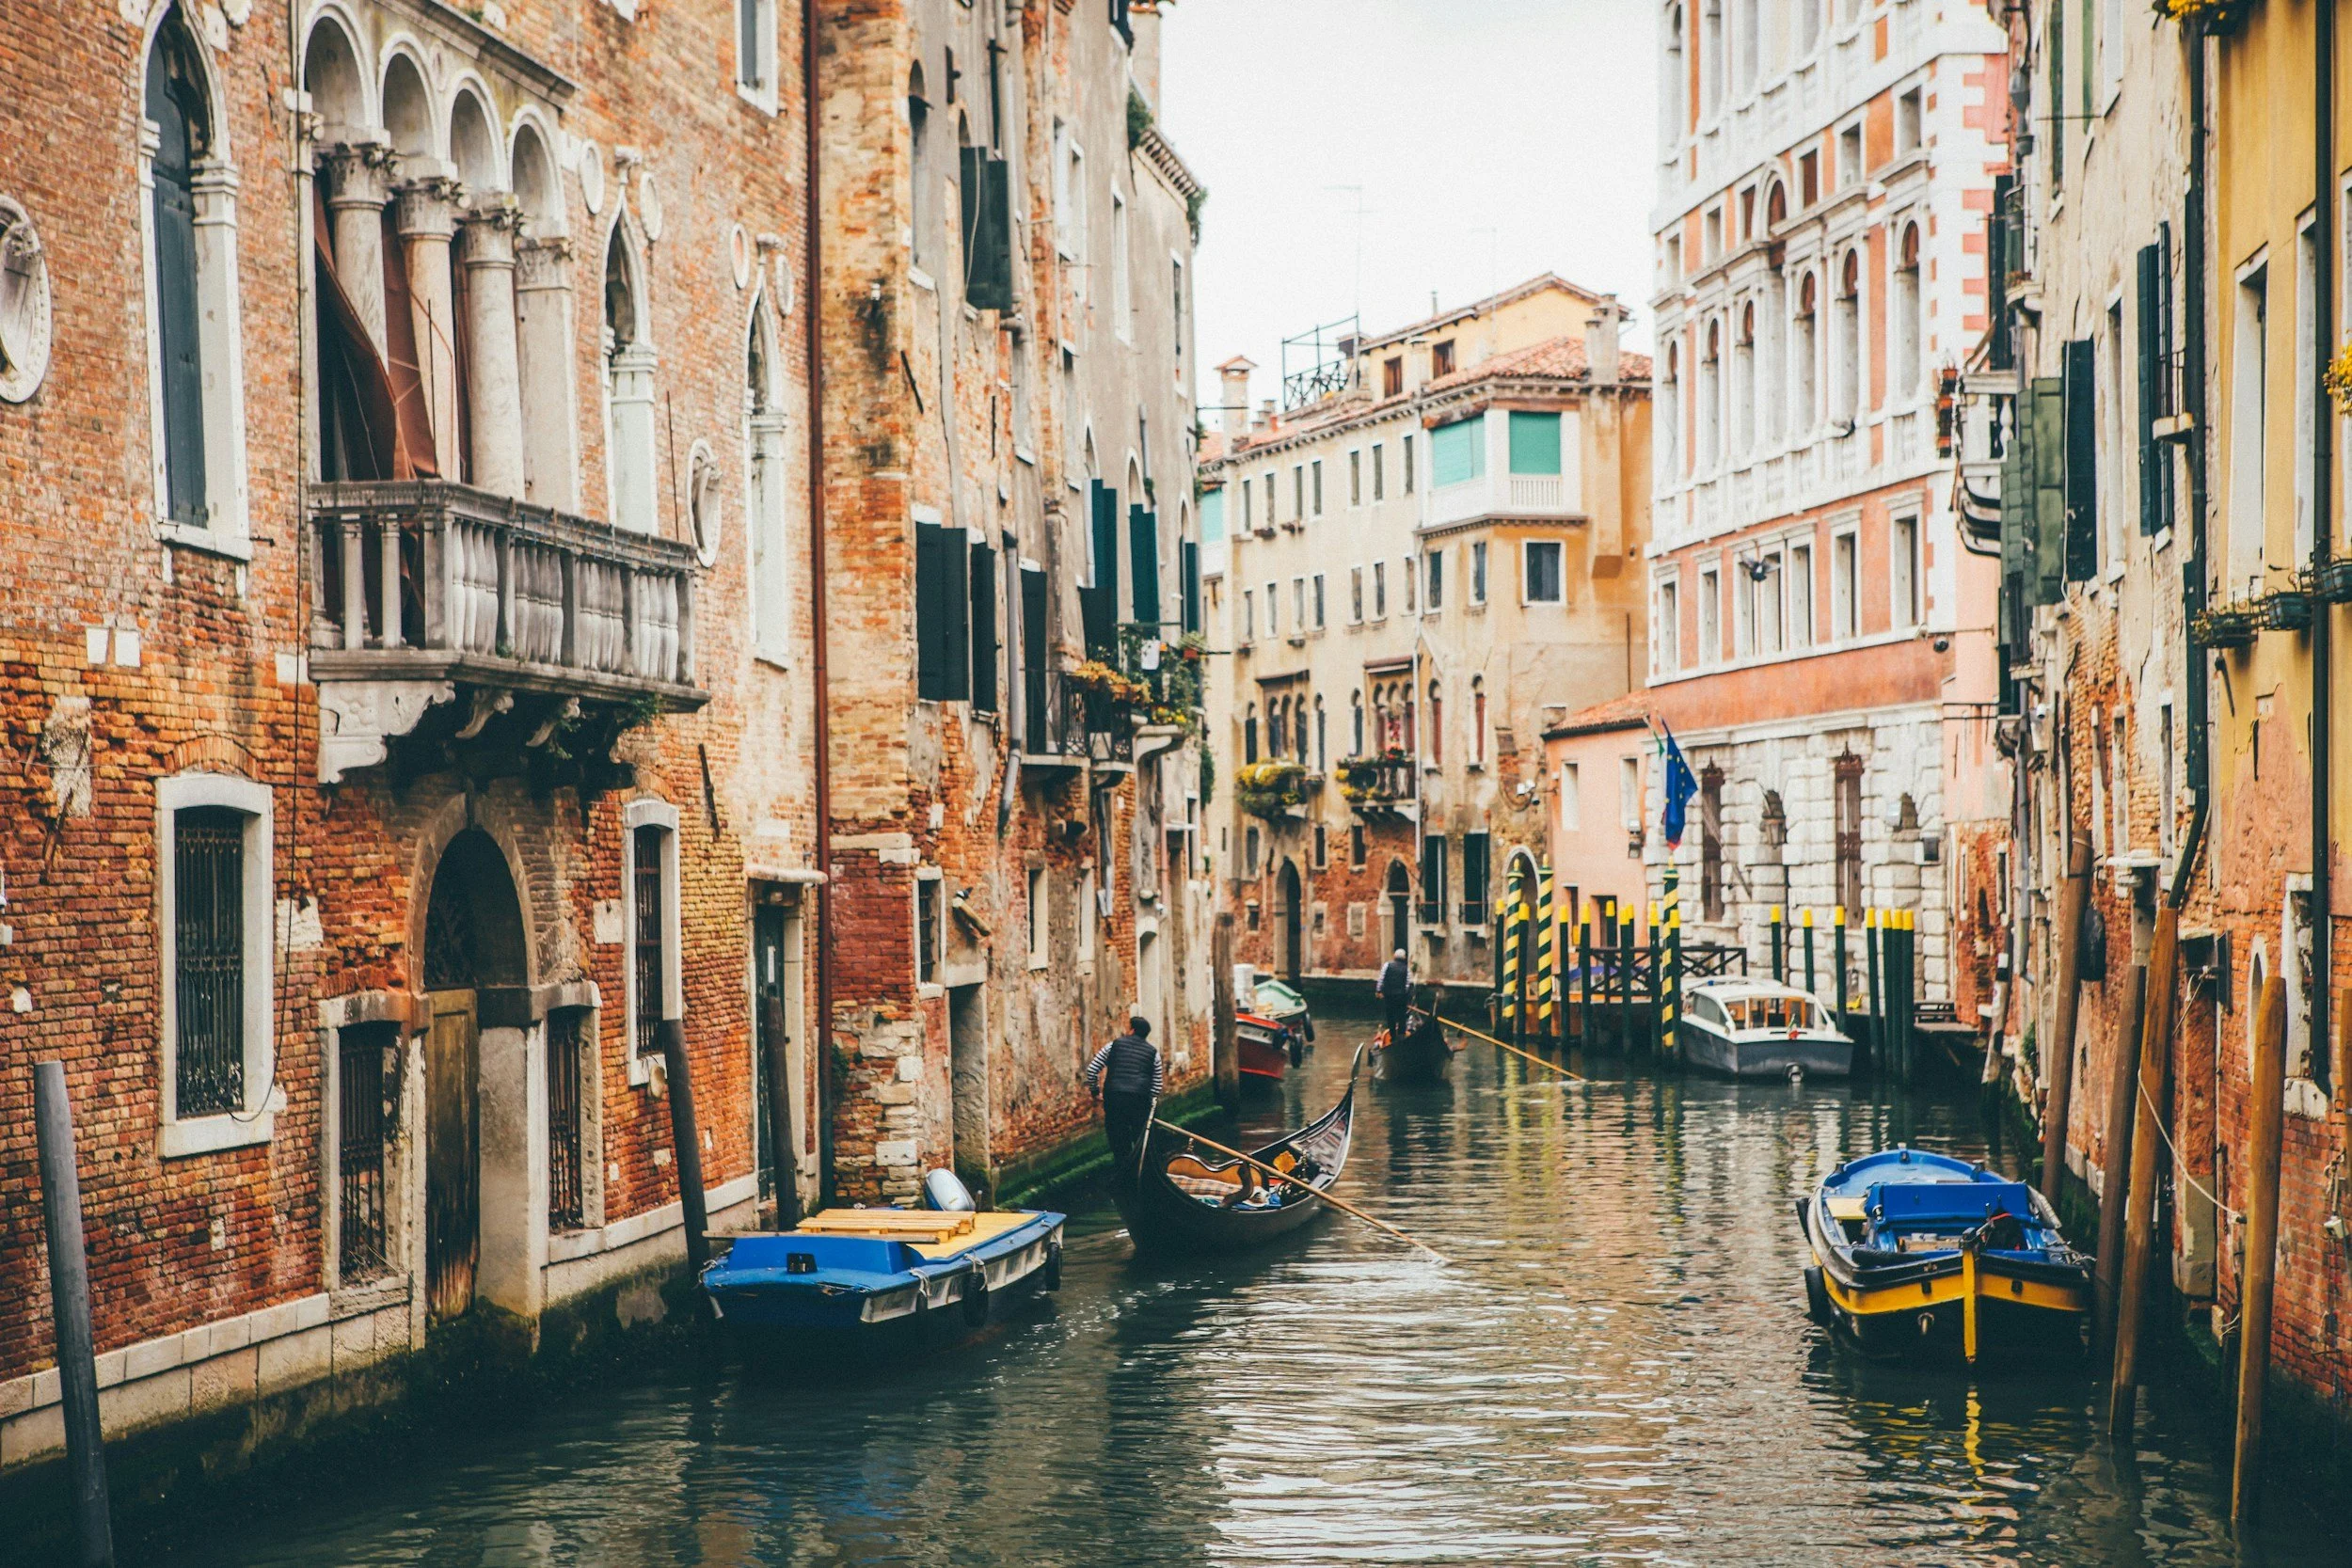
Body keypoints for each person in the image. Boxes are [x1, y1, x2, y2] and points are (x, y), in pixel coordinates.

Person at [1085, 1015, 1164, 1166]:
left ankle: (1124, 1174)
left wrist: (1095, 1092)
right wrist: (1150, 1103)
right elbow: (1157, 1086)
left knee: (1119, 1142)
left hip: (1114, 1098)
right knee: (1141, 1141)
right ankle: (1142, 1172)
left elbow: (1092, 1070)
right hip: (1139, 1101)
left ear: (1132, 1030)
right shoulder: (1154, 1053)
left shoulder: (1113, 1046)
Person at [1375, 948, 1412, 1039]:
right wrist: (1405, 995)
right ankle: (1401, 1035)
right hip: (1401, 996)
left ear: (1394, 957)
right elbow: (1408, 984)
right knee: (1401, 1016)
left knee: (1390, 1015)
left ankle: (1393, 1036)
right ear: (1404, 958)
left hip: (1389, 995)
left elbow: (1381, 979)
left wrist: (1379, 991)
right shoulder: (1407, 969)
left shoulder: (1387, 965)